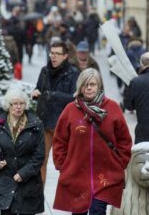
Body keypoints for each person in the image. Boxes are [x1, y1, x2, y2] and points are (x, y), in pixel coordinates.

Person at [52, 69, 132, 214]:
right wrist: (63, 165)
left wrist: (120, 162)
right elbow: (60, 140)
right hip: (76, 176)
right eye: (85, 85)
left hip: (105, 176)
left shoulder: (112, 107)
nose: (89, 88)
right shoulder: (70, 109)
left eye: (92, 84)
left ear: (99, 86)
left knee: (97, 210)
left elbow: (124, 139)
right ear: (80, 88)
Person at [0, 88, 44, 215]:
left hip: (28, 184)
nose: (18, 107)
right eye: (15, 104)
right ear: (8, 106)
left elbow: (39, 154)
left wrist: (23, 173)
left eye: (21, 103)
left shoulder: (36, 125)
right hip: (5, 182)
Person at [31, 40, 79, 184]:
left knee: (65, 163)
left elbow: (74, 98)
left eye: (57, 54)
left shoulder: (73, 73)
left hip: (63, 125)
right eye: (52, 53)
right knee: (40, 160)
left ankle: (67, 195)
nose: (53, 57)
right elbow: (39, 88)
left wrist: (53, 95)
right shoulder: (45, 71)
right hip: (44, 123)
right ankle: (38, 198)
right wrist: (35, 92)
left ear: (65, 56)